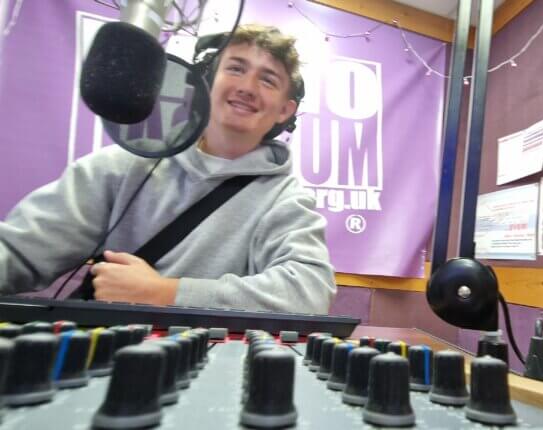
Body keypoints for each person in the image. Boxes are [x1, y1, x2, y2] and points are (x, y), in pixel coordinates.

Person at [0, 24, 337, 314]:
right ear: (206, 81)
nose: (247, 88)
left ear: (284, 110)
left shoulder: (286, 198)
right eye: (235, 68)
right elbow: (19, 251)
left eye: (267, 80)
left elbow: (308, 293)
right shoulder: (121, 167)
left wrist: (168, 294)